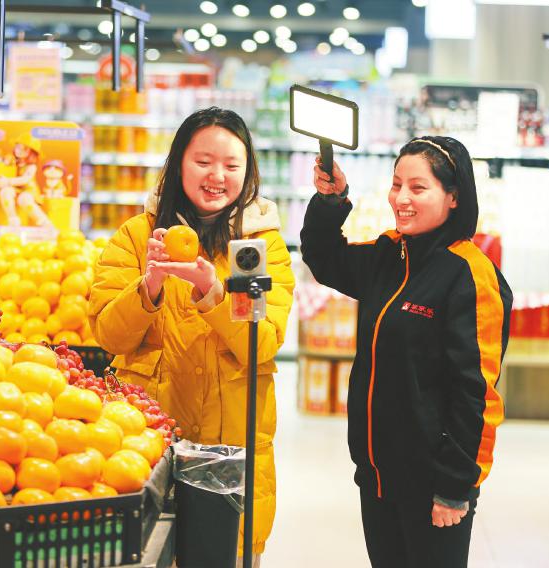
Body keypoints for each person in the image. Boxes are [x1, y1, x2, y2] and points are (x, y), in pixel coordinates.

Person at [89, 107, 295, 563]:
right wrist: (149, 286)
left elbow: (261, 344)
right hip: (147, 448)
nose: (217, 176)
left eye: (231, 165)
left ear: (248, 172)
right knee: (148, 551)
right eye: (203, 161)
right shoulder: (138, 237)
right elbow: (109, 337)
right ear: (178, 163)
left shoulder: (256, 247)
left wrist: (213, 293)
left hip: (231, 455)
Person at [300, 136, 513, 568]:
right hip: (377, 476)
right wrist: (330, 201)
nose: (401, 198)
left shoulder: (470, 275)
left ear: (454, 196)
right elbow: (323, 258)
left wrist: (455, 487)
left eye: (418, 188)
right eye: (397, 185)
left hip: (433, 484)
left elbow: (476, 392)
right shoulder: (389, 254)